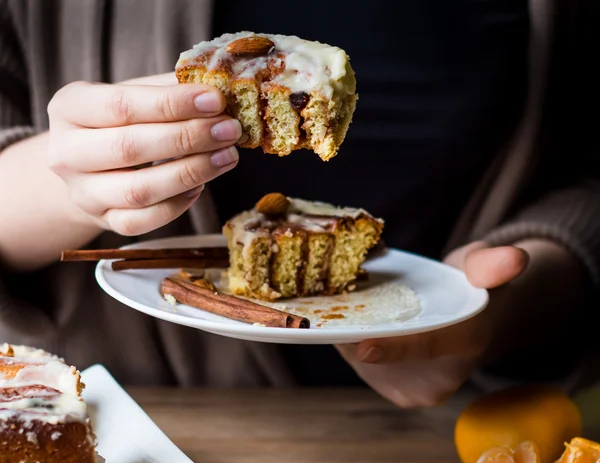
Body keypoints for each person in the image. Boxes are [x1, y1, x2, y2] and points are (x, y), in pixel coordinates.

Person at [0, 0, 598, 407]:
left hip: (447, 439)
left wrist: (499, 309)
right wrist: (62, 181)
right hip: (135, 427)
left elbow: (583, 173)